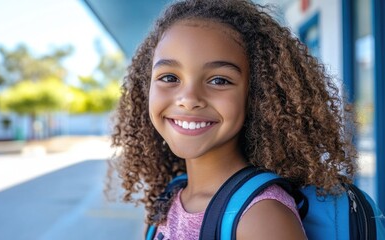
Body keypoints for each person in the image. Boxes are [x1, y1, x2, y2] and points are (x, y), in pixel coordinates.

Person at [109, 0, 357, 239]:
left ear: (257, 95)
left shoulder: (260, 217)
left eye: (219, 80)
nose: (188, 98)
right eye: (169, 77)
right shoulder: (166, 201)